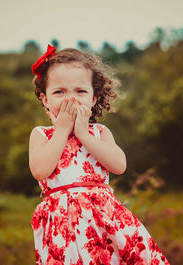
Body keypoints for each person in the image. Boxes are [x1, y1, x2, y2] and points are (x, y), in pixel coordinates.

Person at [29, 44, 170, 265]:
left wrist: (83, 133)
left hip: (104, 223)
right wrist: (63, 130)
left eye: (81, 91)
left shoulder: (99, 133)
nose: (71, 99)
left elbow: (119, 166)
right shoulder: (42, 135)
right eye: (59, 92)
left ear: (94, 98)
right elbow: (40, 171)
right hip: (64, 228)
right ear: (45, 99)